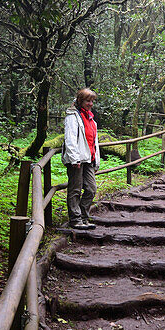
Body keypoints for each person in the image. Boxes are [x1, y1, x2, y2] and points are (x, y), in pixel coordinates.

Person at [62, 88, 101, 230]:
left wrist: (96, 159)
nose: (90, 103)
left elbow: (93, 141)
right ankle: (75, 219)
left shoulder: (91, 118)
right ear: (80, 101)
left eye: (92, 101)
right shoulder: (73, 116)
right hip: (77, 159)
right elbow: (70, 139)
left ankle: (84, 216)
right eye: (87, 101)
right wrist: (74, 159)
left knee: (91, 189)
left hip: (88, 159)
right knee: (75, 190)